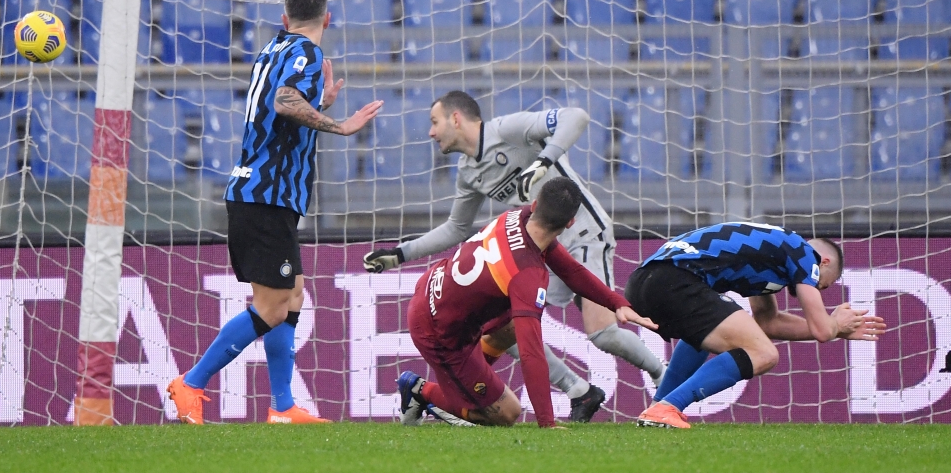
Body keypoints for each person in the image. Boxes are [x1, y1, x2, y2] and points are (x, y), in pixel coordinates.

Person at [364, 91, 666, 421]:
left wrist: (543, 161)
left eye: (434, 122)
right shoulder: (469, 172)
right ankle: (577, 391)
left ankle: (662, 375)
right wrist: (399, 254)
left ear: (456, 118)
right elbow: (456, 228)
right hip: (540, 248)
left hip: (583, 234)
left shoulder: (506, 130)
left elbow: (576, 116)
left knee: (601, 332)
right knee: (501, 329)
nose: (431, 132)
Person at [167, 0, 383, 425]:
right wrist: (338, 125)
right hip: (266, 195)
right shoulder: (304, 52)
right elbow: (285, 103)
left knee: (294, 296)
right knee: (271, 306)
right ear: (327, 19)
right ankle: (190, 382)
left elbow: (280, 105)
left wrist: (317, 104)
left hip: (265, 195)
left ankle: (283, 407)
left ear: (284, 20)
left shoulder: (272, 49)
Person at [398, 178, 657, 428]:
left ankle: (466, 386)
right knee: (506, 413)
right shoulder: (527, 276)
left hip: (433, 286)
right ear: (570, 223)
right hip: (437, 331)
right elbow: (531, 353)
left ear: (534, 205)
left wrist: (616, 302)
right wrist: (547, 422)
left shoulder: (518, 217)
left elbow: (572, 272)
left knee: (511, 325)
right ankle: (420, 390)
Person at [627, 222, 887, 429]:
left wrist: (834, 329)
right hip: (676, 280)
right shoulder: (805, 254)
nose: (819, 287)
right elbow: (822, 330)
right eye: (825, 284)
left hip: (643, 283)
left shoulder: (771, 253)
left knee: (706, 331)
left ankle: (657, 407)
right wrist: (835, 324)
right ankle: (668, 407)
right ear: (825, 263)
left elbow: (768, 322)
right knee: (764, 354)